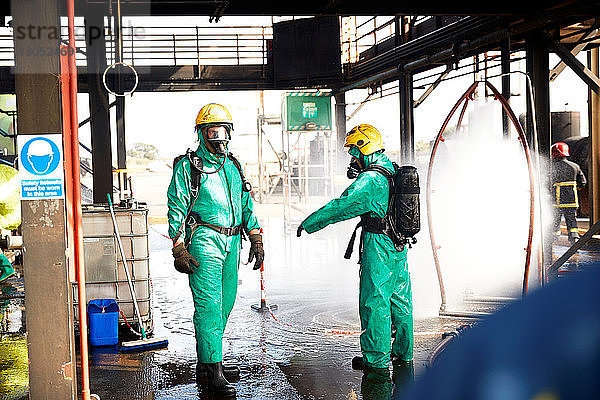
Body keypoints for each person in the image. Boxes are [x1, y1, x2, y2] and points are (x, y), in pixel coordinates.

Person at [297, 124, 413, 372]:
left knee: (375, 301)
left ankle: (376, 359)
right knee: (400, 301)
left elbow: (342, 206)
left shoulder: (371, 179)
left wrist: (310, 223)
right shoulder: (392, 169)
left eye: (353, 151)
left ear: (363, 148)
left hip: (379, 245)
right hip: (399, 245)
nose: (351, 157)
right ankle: (404, 353)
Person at [167, 103, 264, 397]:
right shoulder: (188, 167)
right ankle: (214, 371)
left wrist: (256, 236)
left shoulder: (234, 165)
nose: (220, 137)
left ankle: (208, 360)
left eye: (224, 130)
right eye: (213, 131)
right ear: (202, 134)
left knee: (226, 302)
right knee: (209, 306)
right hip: (205, 240)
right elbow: (176, 205)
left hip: (233, 241)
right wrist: (179, 246)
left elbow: (245, 203)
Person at [550, 142, 586, 243]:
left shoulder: (551, 167)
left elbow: (546, 183)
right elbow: (583, 183)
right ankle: (574, 238)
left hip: (556, 202)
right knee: (571, 220)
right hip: (571, 201)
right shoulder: (575, 167)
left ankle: (553, 240)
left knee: (555, 221)